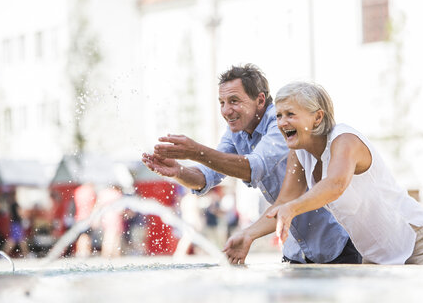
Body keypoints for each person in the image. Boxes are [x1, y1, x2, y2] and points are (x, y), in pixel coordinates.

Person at [142, 64, 360, 265]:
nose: (226, 110)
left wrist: (195, 151)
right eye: (222, 103)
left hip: (337, 244)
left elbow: (254, 167)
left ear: (261, 100)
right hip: (296, 250)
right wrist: (179, 171)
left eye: (234, 101)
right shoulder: (235, 133)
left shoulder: (282, 125)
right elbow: (207, 176)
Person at [267, 82, 423, 264]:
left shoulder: (345, 140)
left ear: (318, 117)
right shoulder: (299, 152)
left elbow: (335, 184)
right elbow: (284, 202)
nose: (282, 122)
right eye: (279, 116)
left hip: (415, 240)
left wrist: (291, 209)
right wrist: (247, 236)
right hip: (376, 254)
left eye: (290, 114)